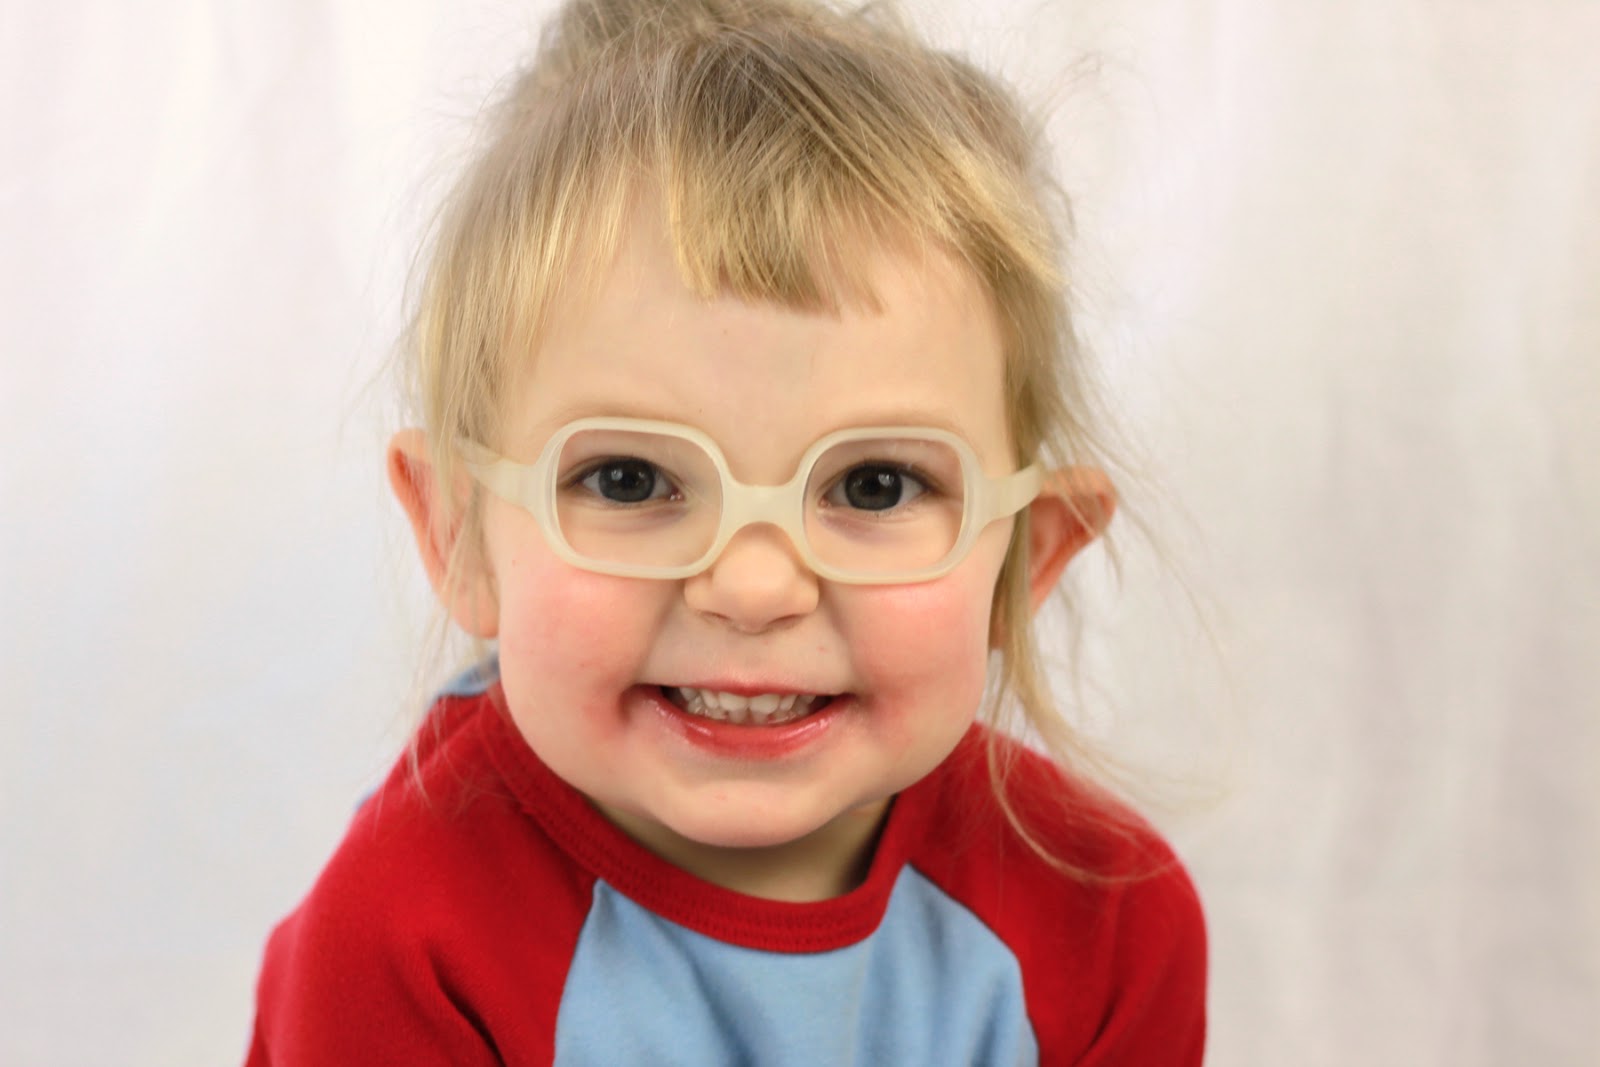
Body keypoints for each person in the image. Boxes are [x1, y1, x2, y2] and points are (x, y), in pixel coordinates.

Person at [247, 0, 1206, 1062]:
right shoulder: (400, 943)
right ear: (460, 532)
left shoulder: (1110, 924)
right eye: (629, 478)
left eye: (875, 485)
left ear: (1027, 556)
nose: (753, 587)